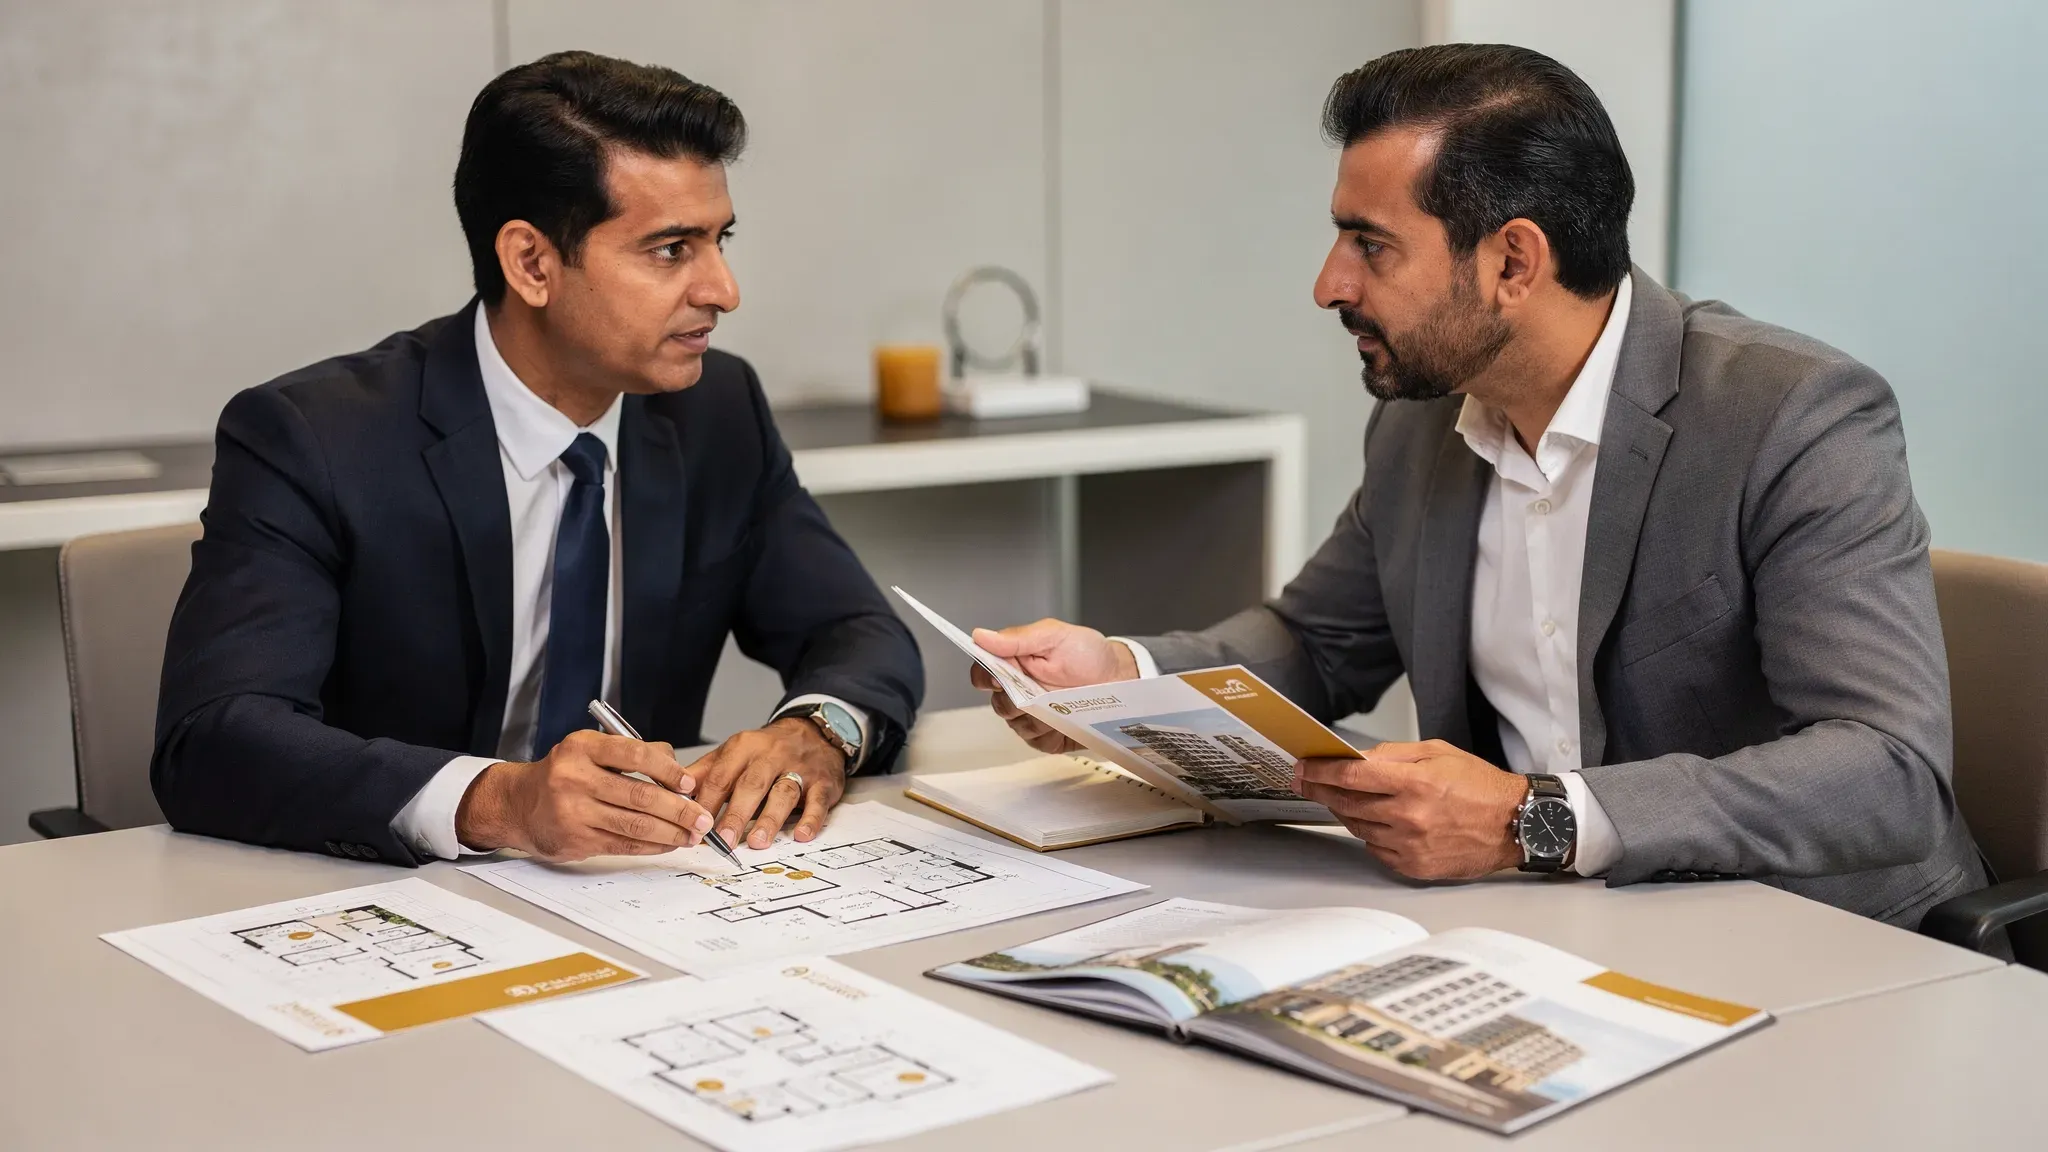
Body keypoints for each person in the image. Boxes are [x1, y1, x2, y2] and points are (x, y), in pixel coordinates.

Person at [973, 43, 1988, 929]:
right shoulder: (1420, 422)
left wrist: (1526, 820)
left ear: (1512, 260)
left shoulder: (1791, 418)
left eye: (1370, 244)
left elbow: (1883, 771)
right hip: (1538, 934)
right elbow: (1317, 644)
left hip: (1811, 941)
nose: (1328, 283)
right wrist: (1119, 673)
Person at [154, 52, 922, 866]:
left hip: (643, 906)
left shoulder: (715, 412)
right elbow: (215, 738)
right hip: (386, 907)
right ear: (531, 263)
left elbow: (857, 630)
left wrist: (818, 730)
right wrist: (497, 801)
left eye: (719, 240)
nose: (724, 289)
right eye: (671, 249)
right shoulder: (315, 437)